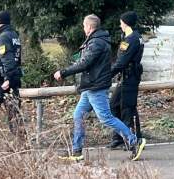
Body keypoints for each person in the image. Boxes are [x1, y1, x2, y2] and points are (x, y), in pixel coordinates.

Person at [54, 14, 146, 161]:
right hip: (89, 86)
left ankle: (134, 140)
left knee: (106, 118)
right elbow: (84, 60)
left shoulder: (97, 43)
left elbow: (85, 63)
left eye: (84, 26)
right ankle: (76, 151)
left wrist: (63, 72)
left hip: (96, 86)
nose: (83, 28)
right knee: (78, 115)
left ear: (89, 27)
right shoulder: (95, 41)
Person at [108, 11, 144, 149]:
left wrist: (107, 74)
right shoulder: (128, 37)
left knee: (128, 108)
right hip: (125, 77)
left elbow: (122, 61)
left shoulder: (133, 39)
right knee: (114, 105)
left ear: (126, 22)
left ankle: (134, 139)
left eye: (121, 22)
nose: (120, 24)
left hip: (130, 77)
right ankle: (119, 136)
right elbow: (120, 59)